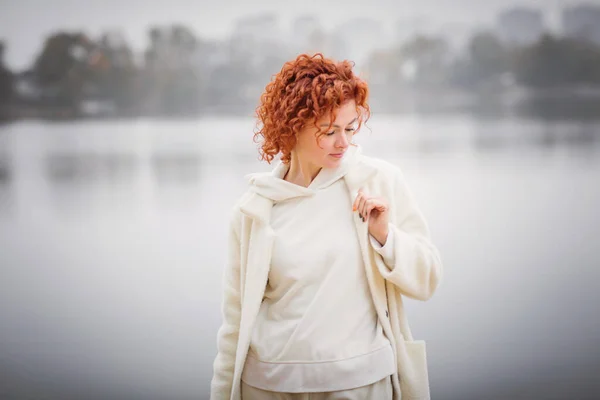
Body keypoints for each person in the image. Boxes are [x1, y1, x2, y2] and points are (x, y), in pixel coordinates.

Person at [210, 53, 443, 400]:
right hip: (268, 386)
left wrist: (384, 236)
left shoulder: (379, 181)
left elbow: (427, 280)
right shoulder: (254, 209)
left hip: (361, 384)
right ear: (292, 127)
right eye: (329, 131)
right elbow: (234, 325)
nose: (343, 142)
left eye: (349, 128)